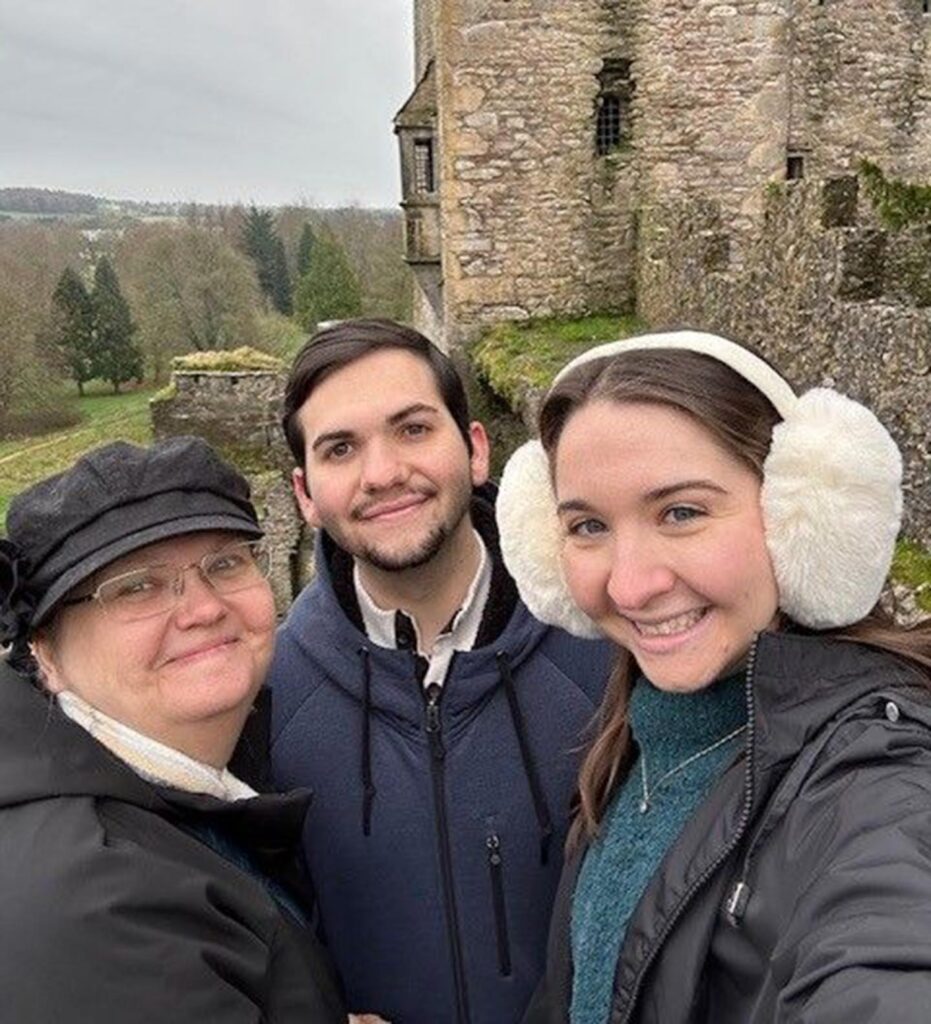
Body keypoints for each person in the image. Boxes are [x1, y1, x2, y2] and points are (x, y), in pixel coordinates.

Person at [495, 330, 931, 1024]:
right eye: (586, 526)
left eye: (682, 512)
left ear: (799, 517)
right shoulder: (639, 741)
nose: (631, 586)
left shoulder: (877, 776)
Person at [268, 319, 613, 1024]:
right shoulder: (261, 701)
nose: (384, 472)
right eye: (341, 448)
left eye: (413, 429)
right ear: (305, 494)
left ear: (476, 448)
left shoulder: (611, 650)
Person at [0, 436, 346, 1024]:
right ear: (44, 653)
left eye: (225, 562)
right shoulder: (98, 902)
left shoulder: (174, 793)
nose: (204, 608)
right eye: (136, 586)